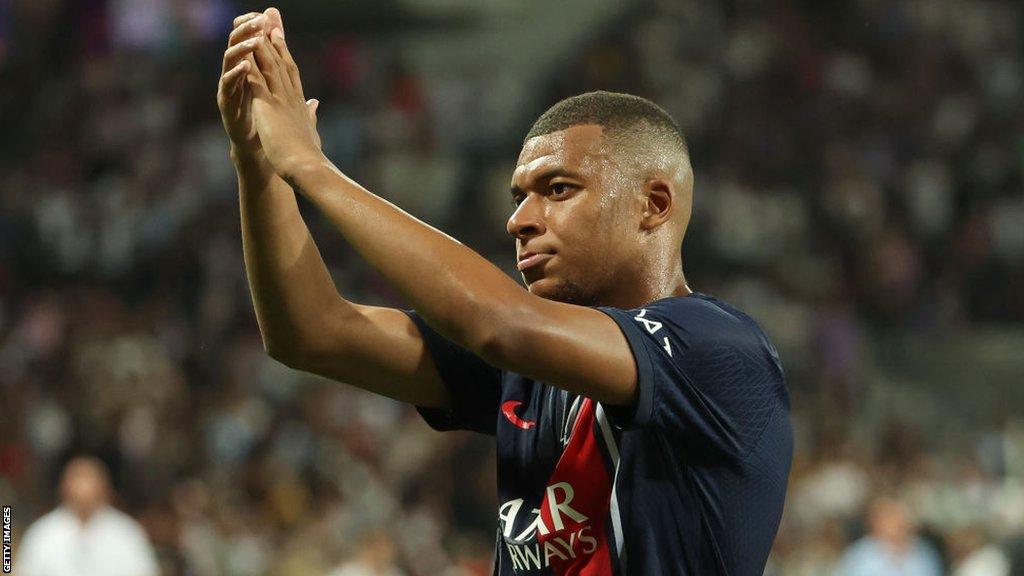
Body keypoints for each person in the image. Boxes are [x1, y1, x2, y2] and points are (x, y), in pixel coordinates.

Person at [217, 8, 793, 574]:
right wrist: (259, 165)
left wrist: (312, 167)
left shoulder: (717, 351)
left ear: (654, 205)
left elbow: (500, 324)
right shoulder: (532, 371)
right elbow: (313, 333)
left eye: (558, 189)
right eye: (518, 196)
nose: (520, 219)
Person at [15, 457, 160, 576]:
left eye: (89, 479)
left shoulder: (127, 532)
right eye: (77, 479)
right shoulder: (41, 533)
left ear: (105, 488)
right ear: (63, 487)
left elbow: (145, 571)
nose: (83, 487)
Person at [836, 497, 942, 576]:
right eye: (888, 519)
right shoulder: (860, 556)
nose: (897, 525)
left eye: (901, 519)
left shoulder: (925, 553)